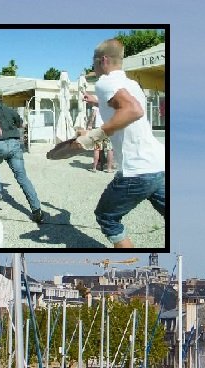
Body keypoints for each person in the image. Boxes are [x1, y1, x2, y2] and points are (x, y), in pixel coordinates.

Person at [74, 38, 166, 248]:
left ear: (103, 60)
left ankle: (126, 261)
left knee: (106, 216)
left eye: (94, 62)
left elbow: (133, 111)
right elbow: (126, 105)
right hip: (159, 165)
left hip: (136, 170)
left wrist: (91, 137)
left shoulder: (105, 82)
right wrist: (96, 101)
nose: (94, 68)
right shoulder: (132, 84)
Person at [0, 91, 44, 223]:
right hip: (15, 145)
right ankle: (37, 210)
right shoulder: (11, 110)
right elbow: (21, 124)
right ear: (2, 97)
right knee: (22, 178)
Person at [85, 102, 114, 172]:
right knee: (110, 149)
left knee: (97, 149)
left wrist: (90, 125)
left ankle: (94, 168)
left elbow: (93, 116)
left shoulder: (96, 104)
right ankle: (109, 168)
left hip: (98, 129)